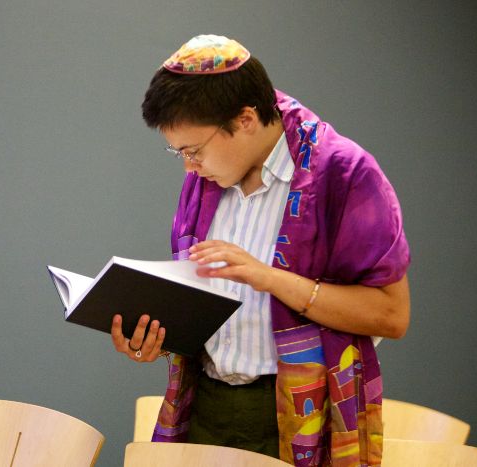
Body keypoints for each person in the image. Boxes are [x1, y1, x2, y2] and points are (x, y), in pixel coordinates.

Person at [110, 34, 410, 467]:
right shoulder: (206, 179)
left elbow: (391, 315)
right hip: (205, 400)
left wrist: (268, 277)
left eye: (193, 151)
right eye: (178, 152)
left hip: (298, 415)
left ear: (246, 119)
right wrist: (157, 337)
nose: (188, 167)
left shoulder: (343, 174)